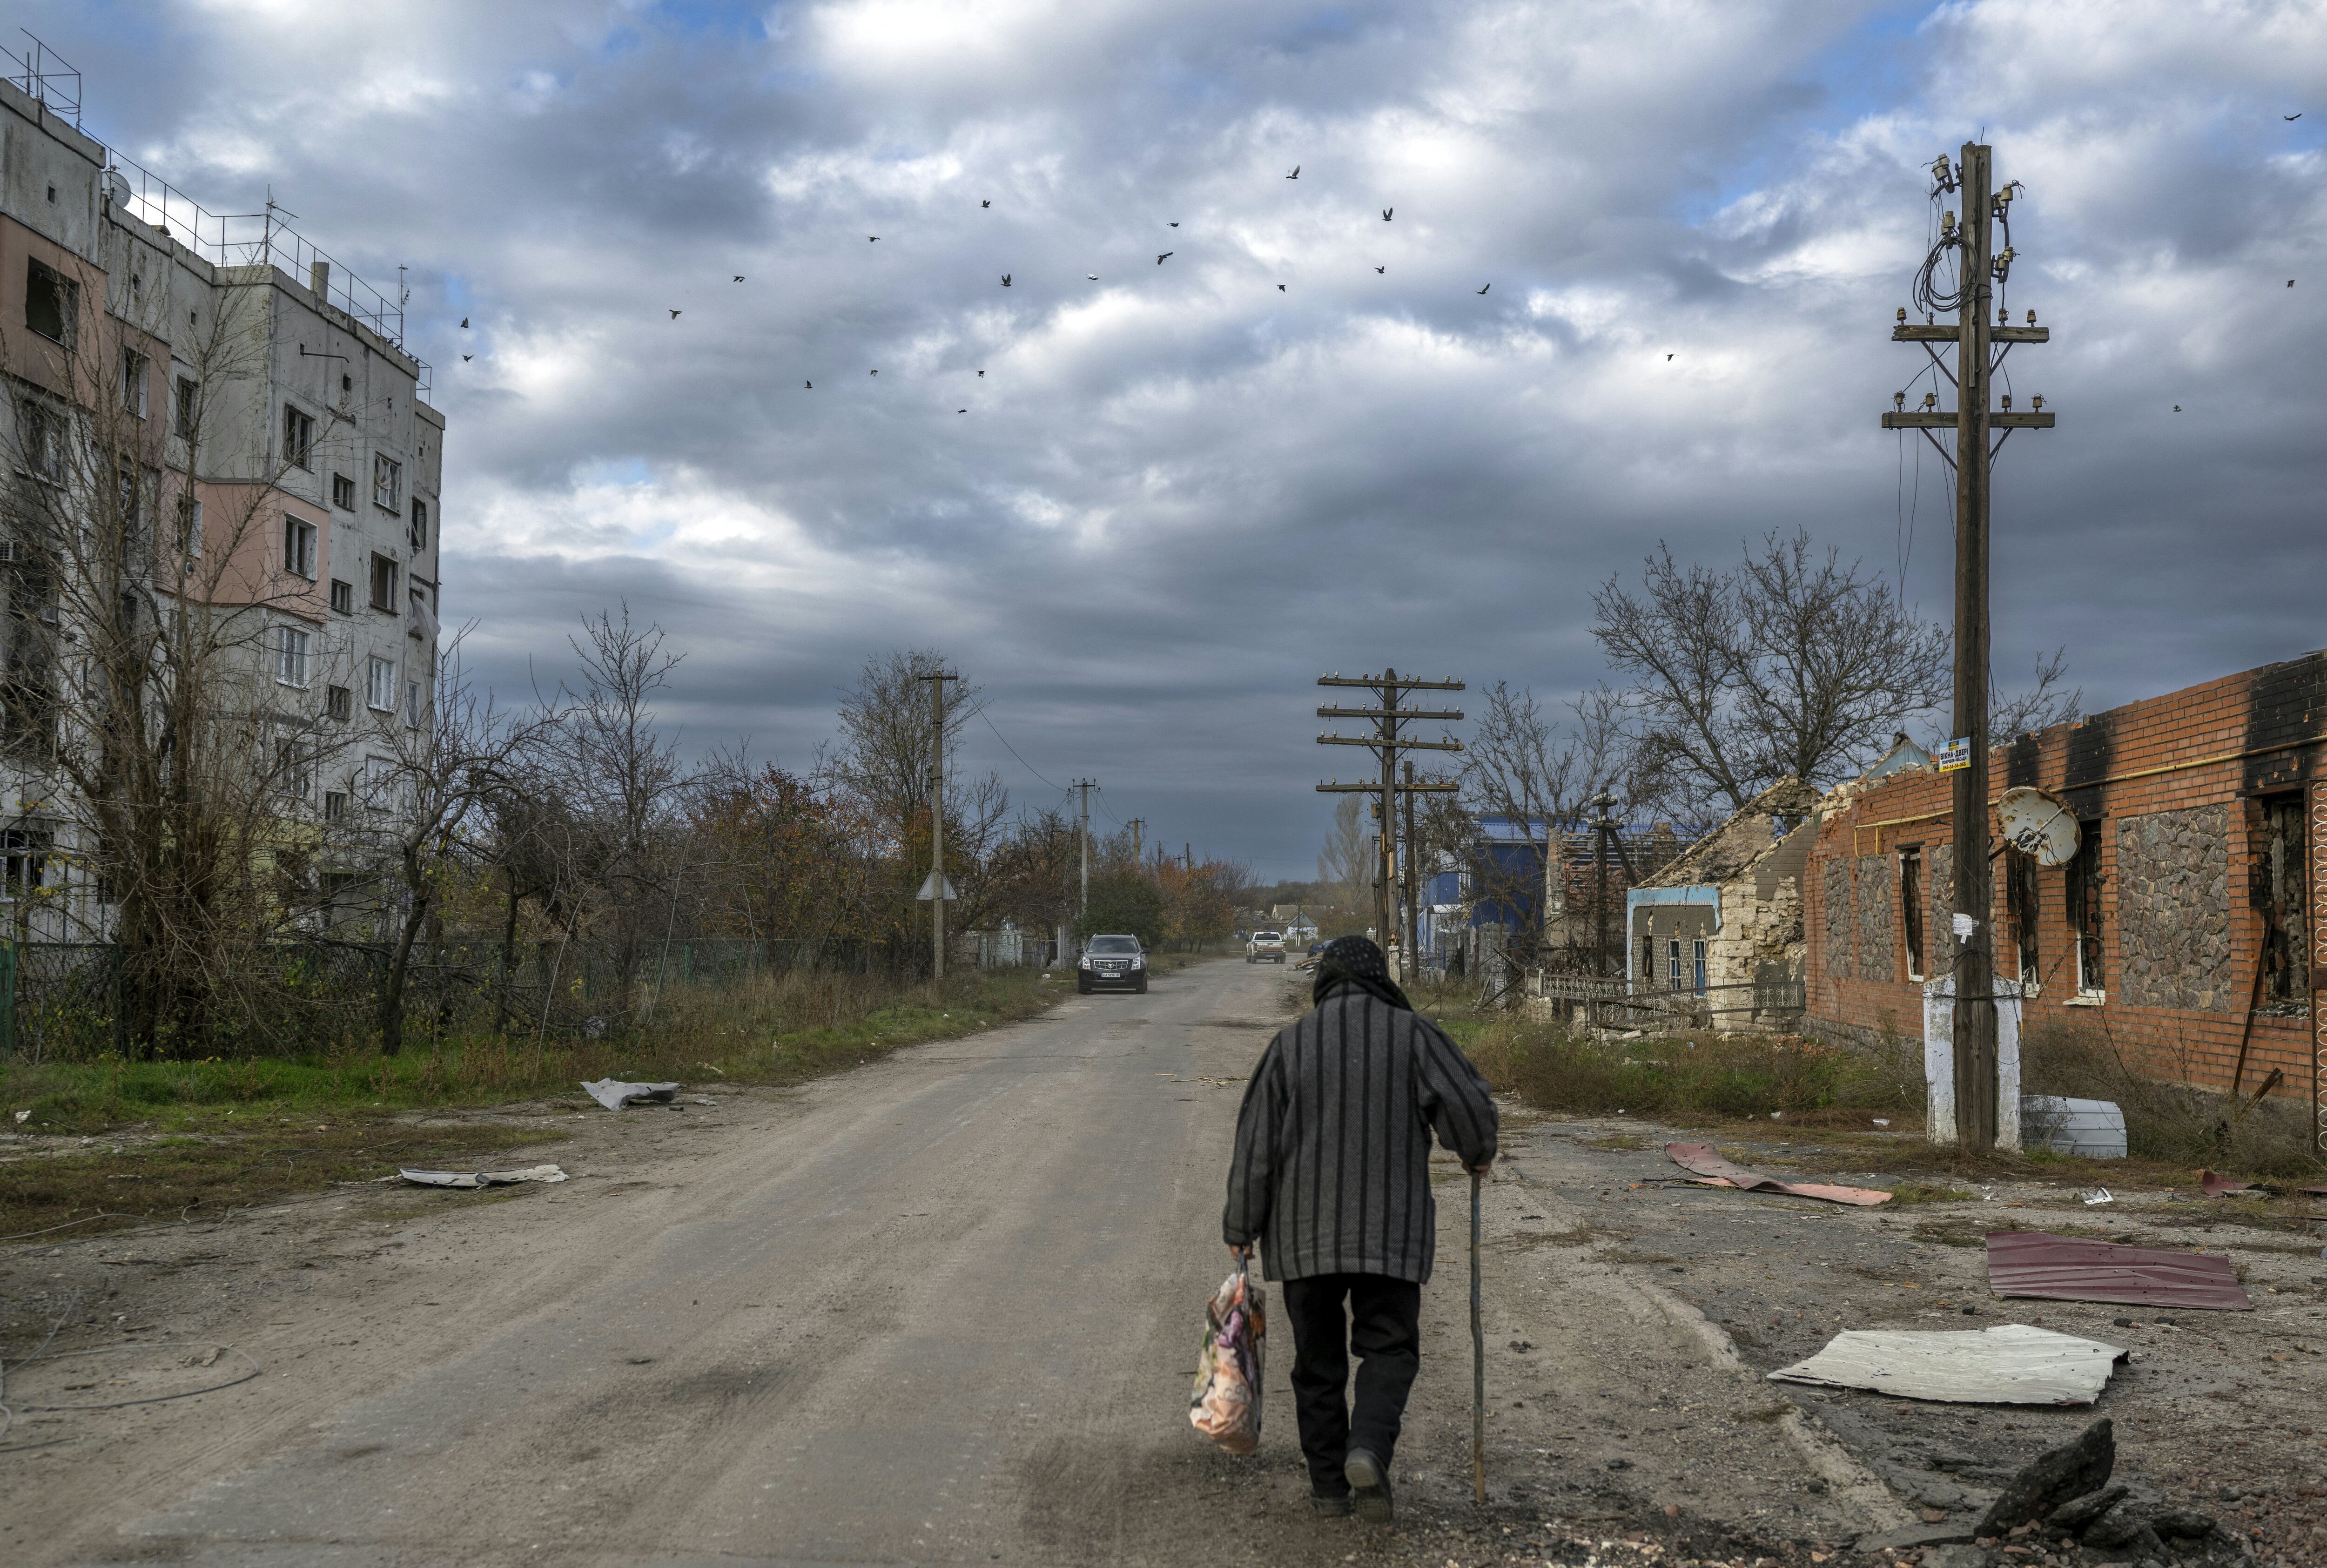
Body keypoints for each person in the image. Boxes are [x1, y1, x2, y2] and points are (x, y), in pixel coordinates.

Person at [1222, 935, 1497, 1523]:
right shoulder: (1413, 1034)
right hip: (1389, 1237)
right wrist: (1476, 1151)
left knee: (1316, 1365)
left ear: (1324, 981)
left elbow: (1255, 1147)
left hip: (1302, 1240)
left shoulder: (1288, 1046)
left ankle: (1328, 1489)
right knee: (1389, 1348)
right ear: (1380, 980)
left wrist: (1240, 1224)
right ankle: (1367, 1448)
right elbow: (1467, 1106)